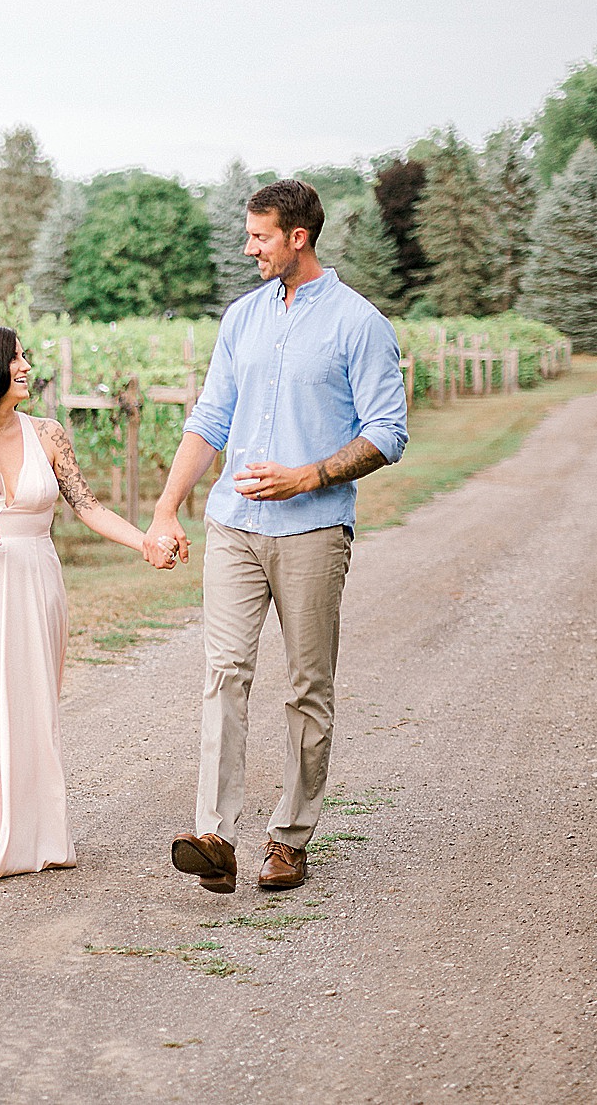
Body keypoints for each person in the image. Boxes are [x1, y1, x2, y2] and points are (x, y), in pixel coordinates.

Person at [144, 179, 409, 894]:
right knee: (224, 672)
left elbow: (388, 432)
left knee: (306, 686)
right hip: (233, 525)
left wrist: (309, 476)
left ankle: (289, 836)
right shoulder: (242, 318)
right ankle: (216, 835)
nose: (248, 247)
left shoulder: (359, 324)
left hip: (314, 528)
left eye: (259, 235)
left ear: (299, 237)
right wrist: (168, 507)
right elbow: (209, 418)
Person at [0, 325, 176, 885]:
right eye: (14, 359)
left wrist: (144, 542)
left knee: (26, 705)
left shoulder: (48, 435)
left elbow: (90, 508)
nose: (25, 367)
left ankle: (28, 832)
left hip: (34, 583)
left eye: (25, 358)